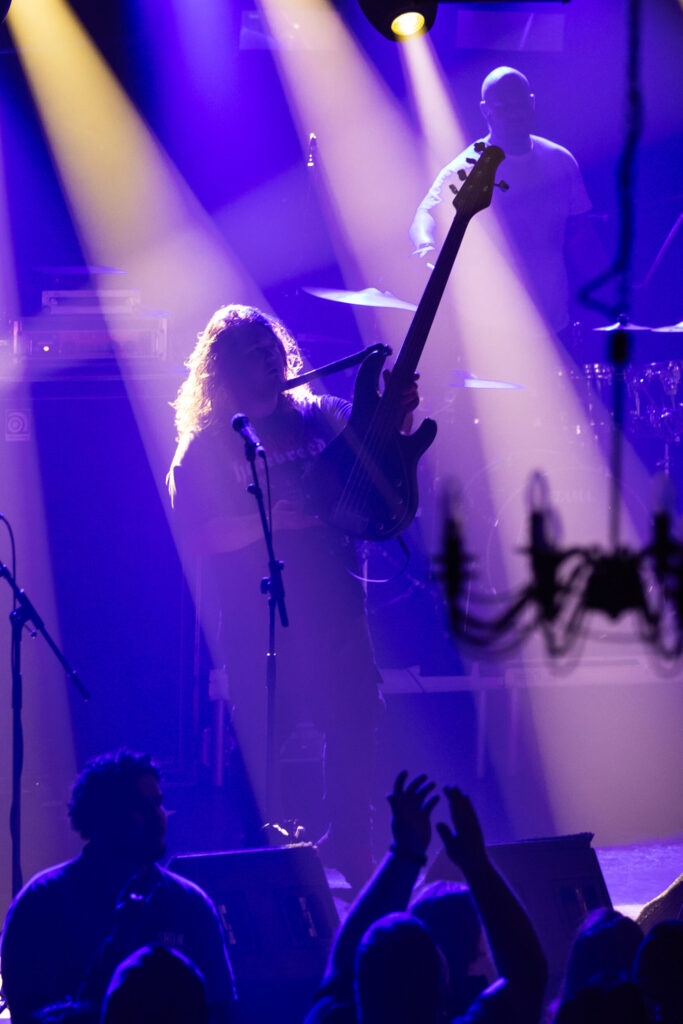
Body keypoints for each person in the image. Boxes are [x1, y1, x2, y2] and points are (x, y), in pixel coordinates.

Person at [168, 304, 419, 888]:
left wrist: (398, 415)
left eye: (272, 344)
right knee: (263, 736)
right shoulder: (209, 446)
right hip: (262, 618)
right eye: (253, 351)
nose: (270, 356)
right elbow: (195, 535)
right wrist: (269, 525)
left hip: (336, 605)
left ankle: (350, 841)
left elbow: (375, 443)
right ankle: (251, 859)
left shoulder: (318, 416)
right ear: (225, 368)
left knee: (355, 719)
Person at [0, 750, 235, 1024]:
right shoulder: (42, 903)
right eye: (139, 807)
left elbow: (220, 1012)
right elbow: (32, 1017)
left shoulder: (191, 905)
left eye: (157, 802)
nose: (157, 816)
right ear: (101, 818)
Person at [304, 770, 548, 1024]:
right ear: (443, 989)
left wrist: (405, 853)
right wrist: (477, 865)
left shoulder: (329, 1018)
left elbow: (343, 963)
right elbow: (527, 974)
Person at [409, 66, 595, 337]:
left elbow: (581, 237)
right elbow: (425, 213)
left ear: (531, 102)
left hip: (556, 322)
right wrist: (426, 246)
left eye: (520, 104)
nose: (515, 113)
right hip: (494, 331)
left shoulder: (561, 161)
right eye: (504, 106)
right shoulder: (469, 165)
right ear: (485, 109)